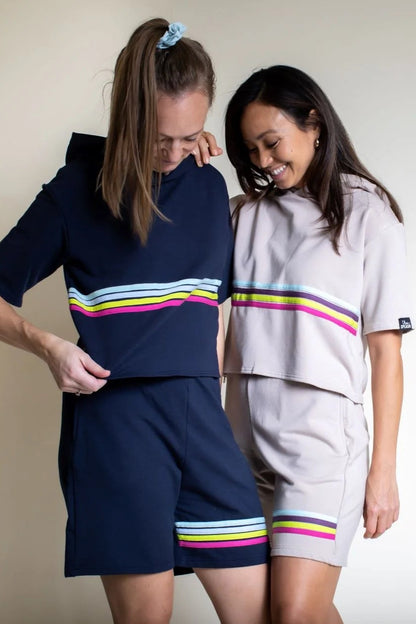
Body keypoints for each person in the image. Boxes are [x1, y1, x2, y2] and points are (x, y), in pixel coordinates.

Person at [0, 19, 270, 624]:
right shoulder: (75, 192)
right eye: (158, 136)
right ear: (128, 113)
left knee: (258, 615)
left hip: (201, 419)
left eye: (189, 135)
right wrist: (48, 347)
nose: (173, 153)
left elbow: (214, 314)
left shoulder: (209, 186)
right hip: (117, 425)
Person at [219, 65, 413, 624]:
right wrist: (190, 160)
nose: (262, 160)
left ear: (314, 123)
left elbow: (386, 354)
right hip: (238, 439)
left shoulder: (369, 216)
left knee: (294, 611)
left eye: (271, 142)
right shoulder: (241, 214)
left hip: (320, 448)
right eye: (250, 149)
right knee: (265, 614)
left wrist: (383, 472)